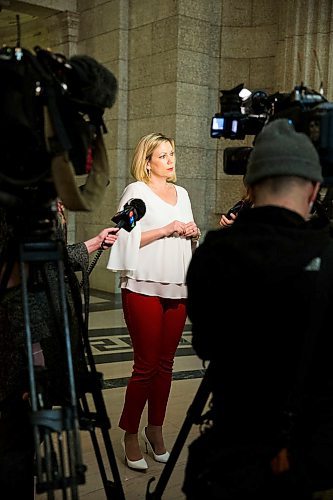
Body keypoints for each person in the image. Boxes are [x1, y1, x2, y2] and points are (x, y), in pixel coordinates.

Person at [183, 119, 333, 499]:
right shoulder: (327, 257)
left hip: (233, 443)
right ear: (314, 190)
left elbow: (205, 345)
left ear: (249, 187)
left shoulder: (212, 253)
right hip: (306, 456)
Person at [0, 200, 119, 499]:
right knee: (18, 434)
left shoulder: (42, 196)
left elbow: (53, 258)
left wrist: (93, 243)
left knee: (32, 428)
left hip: (51, 333)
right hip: (27, 340)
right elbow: (13, 283)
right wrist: (34, 354)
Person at [107, 132, 200, 471]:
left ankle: (155, 429)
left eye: (172, 154)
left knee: (166, 365)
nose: (170, 160)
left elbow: (188, 234)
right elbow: (123, 236)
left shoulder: (183, 193)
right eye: (163, 156)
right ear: (147, 161)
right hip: (143, 285)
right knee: (145, 366)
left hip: (177, 285)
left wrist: (192, 231)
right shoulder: (137, 191)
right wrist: (166, 229)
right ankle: (130, 433)